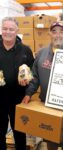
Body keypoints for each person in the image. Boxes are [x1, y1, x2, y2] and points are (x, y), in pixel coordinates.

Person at [22, 21, 63, 150]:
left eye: (61, 31)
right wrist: (28, 93)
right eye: (54, 31)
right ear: (49, 34)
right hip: (46, 104)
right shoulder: (42, 53)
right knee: (49, 136)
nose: (57, 35)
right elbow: (35, 77)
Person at [0, 17, 34, 150]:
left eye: (11, 29)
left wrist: (28, 77)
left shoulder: (25, 50)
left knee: (20, 132)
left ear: (17, 31)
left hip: (18, 100)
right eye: (5, 28)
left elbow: (33, 73)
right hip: (0, 100)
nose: (7, 32)